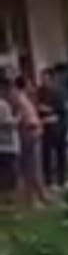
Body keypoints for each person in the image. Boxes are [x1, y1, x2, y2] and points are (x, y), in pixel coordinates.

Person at [11, 72, 45, 206]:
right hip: (28, 133)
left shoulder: (26, 98)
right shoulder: (20, 99)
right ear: (25, 85)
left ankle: (40, 195)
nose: (32, 86)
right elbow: (20, 117)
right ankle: (31, 199)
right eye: (30, 83)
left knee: (35, 166)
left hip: (33, 131)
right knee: (31, 166)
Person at [37, 65, 68, 190]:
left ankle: (62, 179)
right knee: (47, 155)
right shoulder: (40, 92)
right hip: (45, 127)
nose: (44, 81)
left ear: (51, 79)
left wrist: (50, 110)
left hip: (58, 126)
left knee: (61, 154)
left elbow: (63, 111)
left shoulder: (58, 92)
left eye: (46, 78)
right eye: (42, 78)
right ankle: (49, 181)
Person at [0, 75, 18, 204]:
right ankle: (8, 199)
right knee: (9, 172)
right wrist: (18, 118)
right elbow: (6, 123)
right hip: (6, 143)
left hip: (3, 143)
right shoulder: (2, 105)